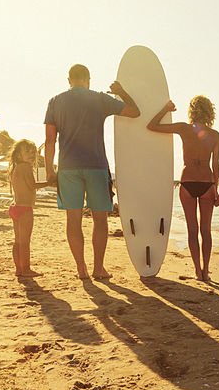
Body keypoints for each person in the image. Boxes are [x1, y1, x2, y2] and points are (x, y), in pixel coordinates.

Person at [44, 63, 139, 280]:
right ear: (88, 79)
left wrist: (50, 170)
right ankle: (98, 268)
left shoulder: (55, 101)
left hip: (68, 167)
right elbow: (134, 112)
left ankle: (81, 269)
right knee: (100, 219)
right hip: (96, 166)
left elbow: (50, 140)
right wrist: (121, 92)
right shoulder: (99, 99)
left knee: (73, 219)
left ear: (69, 80)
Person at [147, 95, 219, 281]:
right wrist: (216, 188)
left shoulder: (183, 128)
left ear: (192, 111)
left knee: (192, 230)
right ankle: (206, 272)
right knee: (206, 230)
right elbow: (216, 165)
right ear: (210, 111)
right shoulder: (214, 135)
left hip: (187, 182)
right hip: (207, 182)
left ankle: (197, 271)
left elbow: (152, 126)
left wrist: (165, 109)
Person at [7, 139, 47, 278]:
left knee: (18, 241)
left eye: (33, 152)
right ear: (18, 155)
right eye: (27, 152)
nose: (31, 154)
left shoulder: (15, 167)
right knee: (25, 242)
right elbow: (32, 185)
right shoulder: (26, 167)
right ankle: (26, 269)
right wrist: (51, 182)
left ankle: (19, 269)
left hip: (15, 207)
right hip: (25, 209)